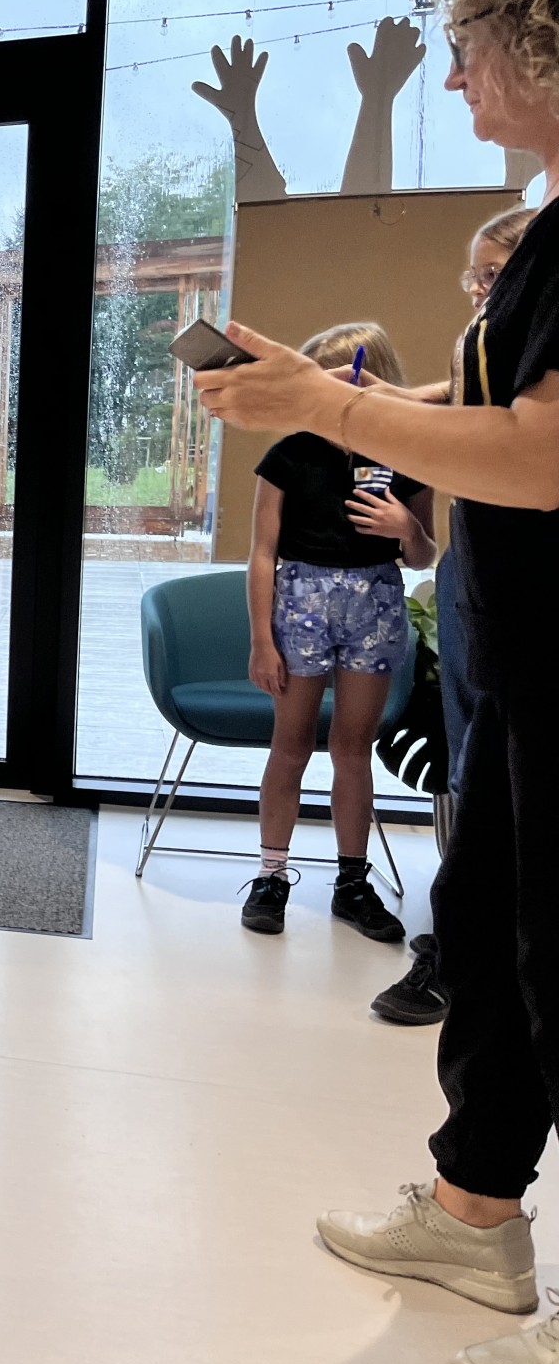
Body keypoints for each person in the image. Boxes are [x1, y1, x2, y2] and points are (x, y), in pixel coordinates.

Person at [196, 0, 559, 1363]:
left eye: (466, 49)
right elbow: (470, 413)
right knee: (493, 940)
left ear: (539, 38)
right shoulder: (541, 239)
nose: (454, 79)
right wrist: (312, 394)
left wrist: (329, 407)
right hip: (509, 664)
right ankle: (475, 1216)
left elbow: (539, 454)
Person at [370, 203, 537, 1027]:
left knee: (503, 789)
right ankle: (461, 948)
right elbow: (460, 405)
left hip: (520, 604)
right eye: (473, 276)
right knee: (473, 783)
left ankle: (474, 958)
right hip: (473, 588)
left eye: (492, 275)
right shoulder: (488, 356)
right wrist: (380, 401)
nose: (478, 291)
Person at [240, 323, 435, 943]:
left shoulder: (407, 458)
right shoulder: (290, 455)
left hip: (374, 605)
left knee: (353, 749)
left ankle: (352, 883)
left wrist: (407, 528)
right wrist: (261, 640)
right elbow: (262, 553)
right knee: (291, 744)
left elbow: (425, 556)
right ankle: (271, 874)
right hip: (300, 603)